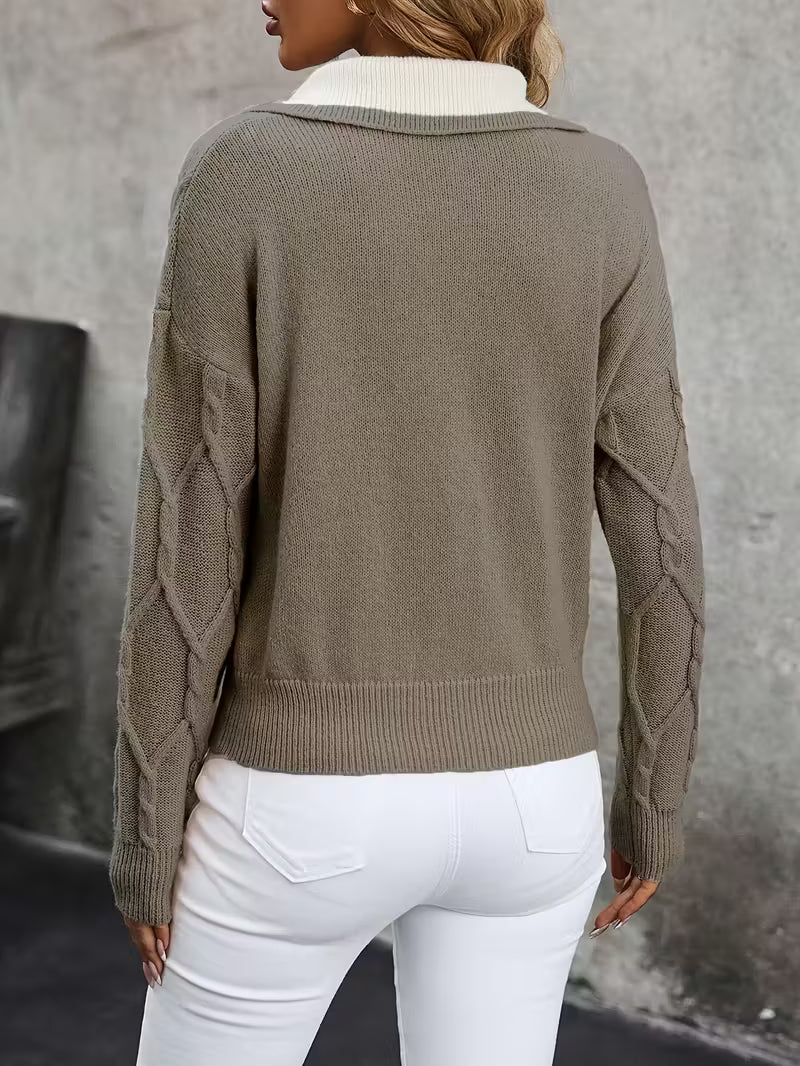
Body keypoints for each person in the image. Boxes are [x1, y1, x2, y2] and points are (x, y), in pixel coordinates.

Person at [108, 1, 705, 1063]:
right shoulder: (601, 183)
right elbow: (659, 531)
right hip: (536, 802)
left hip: (299, 802)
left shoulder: (245, 171)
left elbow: (189, 538)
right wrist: (652, 801)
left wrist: (146, 835)